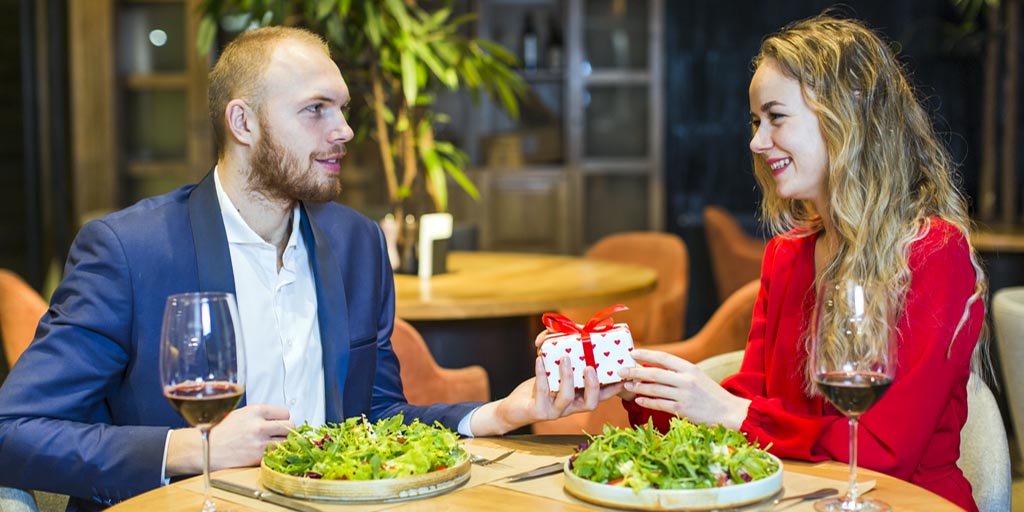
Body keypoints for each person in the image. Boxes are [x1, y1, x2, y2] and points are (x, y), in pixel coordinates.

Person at [0, 27, 615, 510]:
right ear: (243, 123)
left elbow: (376, 420)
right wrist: (190, 448)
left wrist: (499, 414)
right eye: (316, 109)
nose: (344, 130)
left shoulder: (357, 245)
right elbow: (14, 430)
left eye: (342, 109)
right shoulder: (129, 251)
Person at [615, 15, 986, 512]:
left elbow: (883, 456)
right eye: (754, 121)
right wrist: (636, 382)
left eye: (776, 117)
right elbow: (749, 408)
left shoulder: (933, 253)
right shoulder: (787, 257)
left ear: (845, 119)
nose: (756, 141)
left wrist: (733, 412)